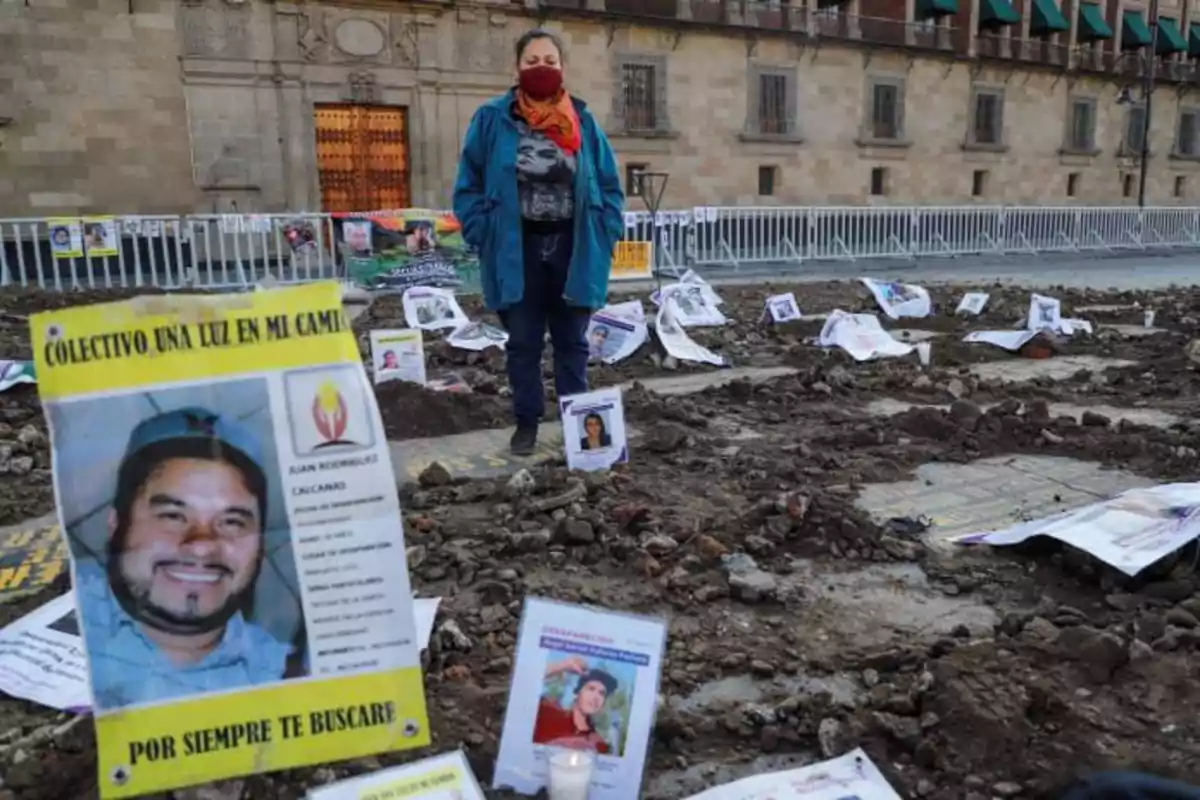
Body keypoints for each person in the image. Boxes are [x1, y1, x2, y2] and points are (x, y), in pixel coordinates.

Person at [453, 28, 624, 456]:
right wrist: (482, 230)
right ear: (518, 68)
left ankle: (577, 427)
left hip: (572, 246)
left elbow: (608, 183)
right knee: (523, 343)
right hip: (516, 248)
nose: (541, 69)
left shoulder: (582, 120)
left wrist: (607, 230)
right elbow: (468, 183)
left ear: (562, 67)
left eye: (549, 61)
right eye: (532, 61)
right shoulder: (493, 119)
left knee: (572, 342)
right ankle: (526, 422)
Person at [75, 407, 293, 710]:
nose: (202, 546)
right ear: (115, 524)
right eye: (173, 516)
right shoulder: (67, 624)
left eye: (232, 522)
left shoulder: (287, 676)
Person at [532, 655, 618, 754]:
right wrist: (563, 665)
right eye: (591, 689)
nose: (596, 697)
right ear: (577, 692)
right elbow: (525, 681)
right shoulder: (548, 712)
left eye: (602, 693)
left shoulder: (599, 744)